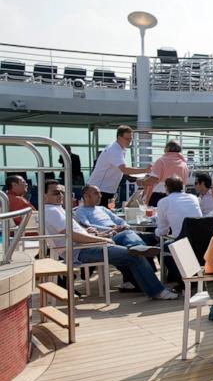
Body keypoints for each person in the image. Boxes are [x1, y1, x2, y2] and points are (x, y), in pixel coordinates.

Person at [43, 180, 177, 300]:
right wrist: (100, 240)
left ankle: (140, 254)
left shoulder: (54, 210)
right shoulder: (54, 211)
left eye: (61, 192)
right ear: (44, 195)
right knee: (134, 255)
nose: (60, 195)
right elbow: (72, 235)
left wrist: (90, 232)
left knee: (130, 241)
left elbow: (74, 232)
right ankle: (157, 290)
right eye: (56, 193)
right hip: (81, 250)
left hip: (86, 244)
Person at [74, 185, 157, 251]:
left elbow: (119, 220)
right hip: (107, 235)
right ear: (86, 196)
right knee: (130, 235)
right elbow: (87, 226)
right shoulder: (80, 211)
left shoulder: (102, 208)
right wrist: (112, 229)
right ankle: (138, 248)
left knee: (155, 238)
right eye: (96, 193)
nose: (100, 196)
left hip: (119, 232)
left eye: (100, 193)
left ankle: (144, 254)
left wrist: (124, 225)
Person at [87, 125, 150, 207]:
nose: (129, 141)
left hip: (104, 190)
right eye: (127, 139)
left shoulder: (119, 148)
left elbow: (122, 170)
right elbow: (125, 170)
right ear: (119, 138)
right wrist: (146, 170)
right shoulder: (114, 150)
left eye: (131, 139)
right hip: (98, 190)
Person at [142, 140, 190, 207]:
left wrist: (142, 182)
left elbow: (153, 179)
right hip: (179, 196)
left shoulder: (161, 161)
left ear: (167, 149)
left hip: (160, 195)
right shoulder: (184, 164)